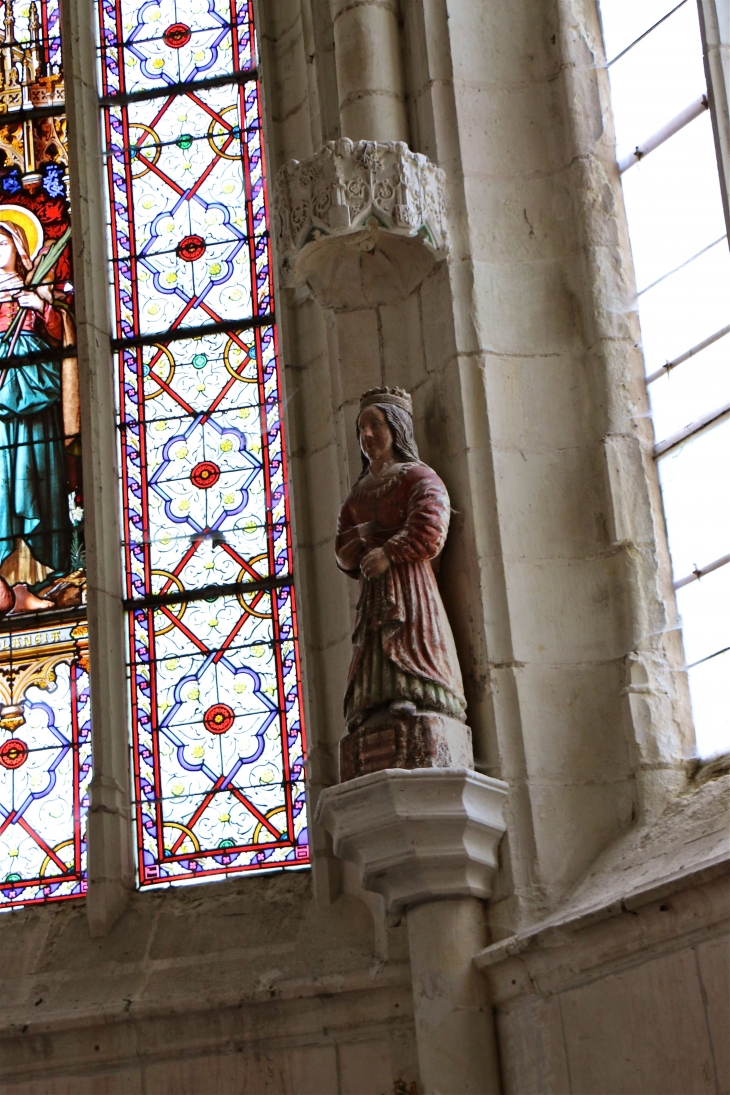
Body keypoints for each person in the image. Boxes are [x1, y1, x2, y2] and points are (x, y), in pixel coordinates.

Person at [335, 386, 466, 731]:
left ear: (397, 428)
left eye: (375, 425)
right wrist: (354, 549)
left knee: (409, 633)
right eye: (361, 428)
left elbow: (430, 527)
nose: (367, 435)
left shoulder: (419, 477)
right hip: (372, 585)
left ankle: (416, 693)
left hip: (409, 581)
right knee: (371, 643)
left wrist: (389, 553)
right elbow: (342, 545)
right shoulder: (356, 496)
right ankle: (369, 703)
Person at [0, 207, 76, 608]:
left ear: (18, 248)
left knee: (30, 476)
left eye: (2, 242)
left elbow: (59, 336)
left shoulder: (37, 292)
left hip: (32, 403)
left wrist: (41, 307)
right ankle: (3, 585)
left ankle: (32, 583)